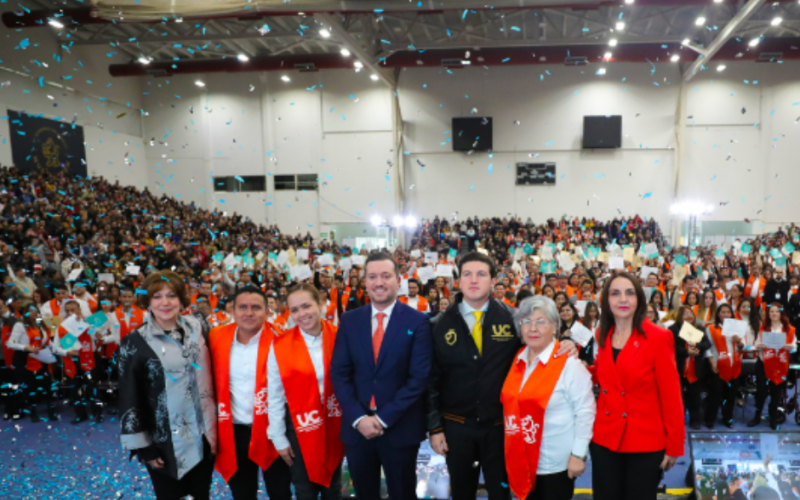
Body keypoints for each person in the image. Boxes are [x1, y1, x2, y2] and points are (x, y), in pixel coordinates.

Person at [427, 252, 577, 500]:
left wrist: (564, 344)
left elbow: (538, 344)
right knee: (461, 493)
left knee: (501, 494)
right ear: (458, 280)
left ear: (493, 280)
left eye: (481, 274)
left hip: (501, 428)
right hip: (455, 427)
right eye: (467, 274)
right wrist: (434, 427)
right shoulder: (438, 324)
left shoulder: (512, 318)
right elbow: (431, 380)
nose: (473, 280)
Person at [330, 252, 432, 500]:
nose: (379, 282)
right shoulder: (350, 320)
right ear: (365, 281)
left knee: (402, 494)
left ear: (398, 280)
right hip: (358, 430)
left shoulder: (418, 321)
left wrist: (383, 419)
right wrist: (359, 418)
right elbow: (340, 373)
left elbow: (419, 378)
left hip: (400, 428)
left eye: (386, 276)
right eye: (373, 276)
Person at [118, 270, 217, 500]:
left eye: (171, 295)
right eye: (157, 297)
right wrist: (144, 448)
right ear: (148, 301)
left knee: (201, 494)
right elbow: (130, 395)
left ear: (181, 299)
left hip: (204, 435)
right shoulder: (135, 341)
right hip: (164, 442)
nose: (165, 302)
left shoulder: (199, 327)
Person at [590, 272, 684, 500]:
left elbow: (671, 395)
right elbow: (604, 373)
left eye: (629, 293)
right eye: (615, 293)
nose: (623, 299)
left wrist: (674, 445)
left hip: (644, 440)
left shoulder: (658, 337)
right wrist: (571, 362)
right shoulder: (603, 334)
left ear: (639, 299)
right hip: (606, 437)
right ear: (606, 300)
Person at [501, 296, 596, 500]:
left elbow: (585, 411)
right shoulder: (516, 359)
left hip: (554, 464)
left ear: (554, 326)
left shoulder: (569, 364)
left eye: (540, 321)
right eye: (527, 321)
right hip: (520, 460)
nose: (532, 328)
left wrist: (578, 454)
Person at [208, 286, 291, 500]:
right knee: (242, 494)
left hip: (273, 429)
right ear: (232, 310)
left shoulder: (282, 339)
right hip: (233, 432)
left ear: (267, 311)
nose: (249, 313)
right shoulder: (215, 337)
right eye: (243, 307)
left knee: (280, 493)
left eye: (256, 307)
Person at [268, 284, 344, 500]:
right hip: (300, 424)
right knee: (304, 489)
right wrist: (278, 438)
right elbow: (275, 395)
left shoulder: (340, 336)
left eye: (306, 306)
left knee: (333, 487)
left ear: (320, 304)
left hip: (335, 421)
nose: (302, 314)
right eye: (294, 310)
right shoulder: (280, 346)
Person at [51, 300, 105, 424]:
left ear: (79, 310)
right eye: (67, 311)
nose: (70, 313)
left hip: (89, 360)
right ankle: (80, 414)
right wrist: (66, 352)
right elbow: (55, 348)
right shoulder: (62, 327)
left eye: (73, 310)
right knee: (75, 390)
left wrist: (88, 324)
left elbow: (98, 336)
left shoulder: (88, 323)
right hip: (71, 362)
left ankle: (97, 413)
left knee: (92, 388)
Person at [6, 304, 58, 422]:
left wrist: (53, 348)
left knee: (47, 385)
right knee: (28, 387)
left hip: (41, 357)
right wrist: (26, 348)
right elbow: (11, 343)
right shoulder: (20, 325)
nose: (33, 313)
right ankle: (33, 413)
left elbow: (47, 341)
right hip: (24, 358)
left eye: (35, 310)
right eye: (30, 311)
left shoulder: (42, 325)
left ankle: (51, 411)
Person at [748, 303, 796, 429]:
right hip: (764, 363)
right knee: (761, 392)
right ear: (768, 314)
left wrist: (790, 347)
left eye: (776, 311)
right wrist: (759, 346)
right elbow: (756, 344)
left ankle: (773, 418)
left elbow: (794, 347)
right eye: (771, 311)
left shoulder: (789, 329)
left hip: (780, 364)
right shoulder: (763, 328)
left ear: (781, 313)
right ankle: (757, 416)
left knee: (776, 393)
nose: (774, 314)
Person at [668, 306, 710, 431]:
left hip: (695, 369)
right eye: (685, 314)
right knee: (677, 398)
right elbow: (671, 346)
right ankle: (676, 421)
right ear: (680, 316)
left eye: (691, 313)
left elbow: (707, 344)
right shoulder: (673, 329)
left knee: (695, 398)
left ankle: (695, 421)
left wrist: (697, 345)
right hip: (678, 369)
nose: (689, 316)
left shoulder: (700, 328)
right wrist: (686, 352)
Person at [704, 304, 743, 429]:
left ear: (731, 314)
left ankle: (727, 418)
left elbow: (743, 347)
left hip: (734, 365)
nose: (725, 315)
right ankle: (710, 419)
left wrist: (738, 341)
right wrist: (711, 362)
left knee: (731, 395)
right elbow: (707, 347)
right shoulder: (711, 328)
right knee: (715, 394)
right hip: (718, 365)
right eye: (723, 312)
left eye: (728, 312)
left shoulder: (738, 327)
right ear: (718, 314)